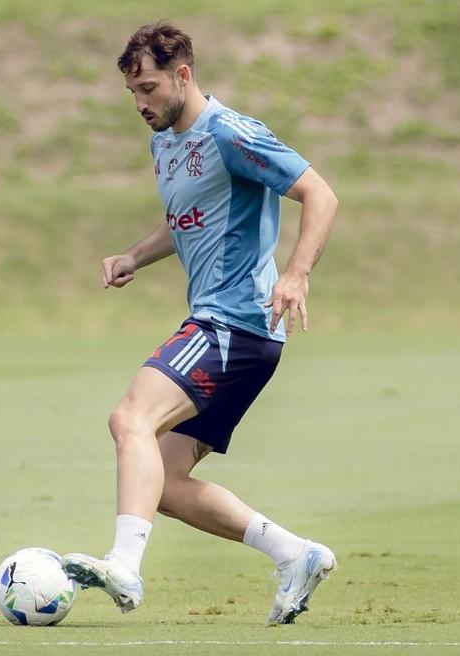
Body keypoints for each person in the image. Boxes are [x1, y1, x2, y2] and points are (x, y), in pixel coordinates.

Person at [62, 22, 340, 625]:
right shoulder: (165, 141)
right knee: (160, 480)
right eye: (133, 93)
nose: (140, 104)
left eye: (149, 88)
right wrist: (133, 255)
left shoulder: (231, 133)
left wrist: (296, 273)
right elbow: (187, 215)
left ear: (183, 74)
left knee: (129, 417)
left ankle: (125, 567)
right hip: (237, 331)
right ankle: (295, 554)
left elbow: (320, 193)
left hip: (233, 322)